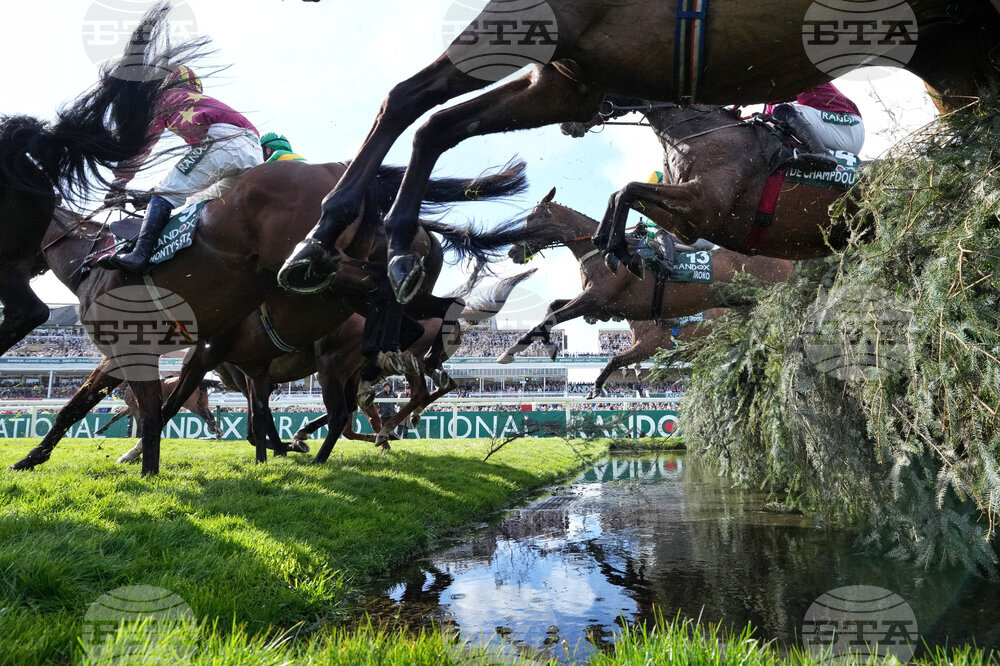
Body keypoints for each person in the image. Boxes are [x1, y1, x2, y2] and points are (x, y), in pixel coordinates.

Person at [98, 65, 262, 274]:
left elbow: (144, 145)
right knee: (202, 201)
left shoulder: (163, 99)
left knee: (166, 192)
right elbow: (199, 169)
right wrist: (150, 197)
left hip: (223, 140)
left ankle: (139, 256)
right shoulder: (198, 103)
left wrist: (120, 182)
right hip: (253, 147)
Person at [765, 82, 865, 172]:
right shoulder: (774, 98)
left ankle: (820, 152)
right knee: (776, 120)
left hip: (849, 127)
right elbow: (767, 120)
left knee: (782, 111)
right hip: (840, 134)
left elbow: (778, 96)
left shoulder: (798, 73)